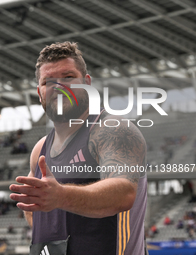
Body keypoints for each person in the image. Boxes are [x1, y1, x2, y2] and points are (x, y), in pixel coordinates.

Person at [9, 42, 147, 255]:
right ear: (40, 92)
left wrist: (61, 196)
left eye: (68, 77)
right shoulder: (40, 149)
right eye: (48, 81)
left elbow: (124, 192)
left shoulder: (112, 130)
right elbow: (34, 209)